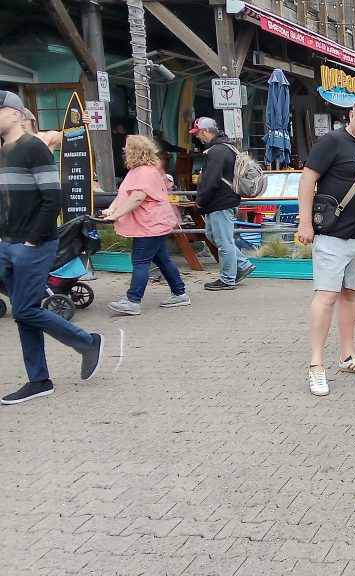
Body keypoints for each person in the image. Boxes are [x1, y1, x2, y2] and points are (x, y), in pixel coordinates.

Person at [0, 90, 104, 405]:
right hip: (7, 243)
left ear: (16, 113)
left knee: (27, 309)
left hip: (34, 244)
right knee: (23, 313)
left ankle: (86, 343)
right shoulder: (3, 151)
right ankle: (39, 380)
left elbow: (52, 199)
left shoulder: (34, 148)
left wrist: (32, 239)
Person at [297, 97, 355, 396]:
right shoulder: (332, 141)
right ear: (351, 115)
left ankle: (348, 355)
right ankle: (316, 365)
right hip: (333, 235)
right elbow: (308, 179)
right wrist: (304, 222)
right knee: (327, 297)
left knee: (349, 296)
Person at [101, 135, 190, 315]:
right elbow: (124, 196)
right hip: (154, 223)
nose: (124, 150)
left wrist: (116, 214)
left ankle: (133, 301)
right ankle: (180, 293)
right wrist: (111, 209)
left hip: (150, 224)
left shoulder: (143, 172)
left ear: (134, 151)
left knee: (140, 262)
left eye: (127, 147)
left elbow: (137, 197)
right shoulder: (143, 170)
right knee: (162, 259)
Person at [190, 116, 255, 291]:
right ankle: (242, 264)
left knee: (222, 241)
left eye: (198, 133)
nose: (197, 137)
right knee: (215, 236)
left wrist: (200, 204)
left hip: (220, 202)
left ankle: (228, 279)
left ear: (207, 131)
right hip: (226, 200)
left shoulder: (217, 151)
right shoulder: (228, 148)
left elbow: (210, 181)